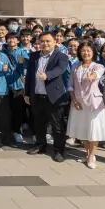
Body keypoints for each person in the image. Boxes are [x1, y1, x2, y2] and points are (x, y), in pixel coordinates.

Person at [24, 32, 71, 162]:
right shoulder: (34, 56)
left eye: (48, 41)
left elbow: (60, 69)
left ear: (55, 42)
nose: (45, 43)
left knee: (57, 125)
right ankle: (41, 145)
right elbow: (29, 76)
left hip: (54, 97)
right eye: (42, 41)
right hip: (37, 96)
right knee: (39, 124)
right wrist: (27, 93)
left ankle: (59, 150)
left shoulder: (61, 56)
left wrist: (47, 75)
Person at [67, 43, 105, 169]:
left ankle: (91, 156)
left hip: (94, 103)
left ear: (93, 52)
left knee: (94, 130)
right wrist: (74, 100)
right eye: (83, 51)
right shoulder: (75, 66)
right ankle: (88, 153)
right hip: (78, 102)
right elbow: (70, 85)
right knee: (82, 129)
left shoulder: (98, 66)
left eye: (88, 51)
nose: (86, 53)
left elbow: (97, 74)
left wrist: (92, 76)